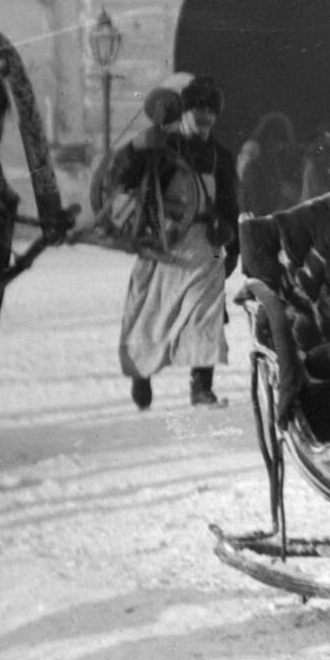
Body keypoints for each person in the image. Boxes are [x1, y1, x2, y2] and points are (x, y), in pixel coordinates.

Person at [109, 73, 241, 411]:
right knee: (151, 311)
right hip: (164, 241)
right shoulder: (163, 146)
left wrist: (232, 242)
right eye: (197, 109)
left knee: (206, 315)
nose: (204, 117)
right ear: (184, 112)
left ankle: (201, 388)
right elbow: (124, 177)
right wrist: (138, 147)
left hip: (202, 243)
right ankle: (142, 374)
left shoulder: (221, 157)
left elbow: (229, 204)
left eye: (210, 111)